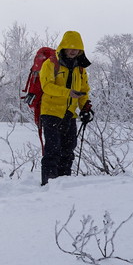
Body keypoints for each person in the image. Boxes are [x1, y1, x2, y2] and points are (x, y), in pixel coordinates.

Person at [38, 30, 92, 186]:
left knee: (68, 150)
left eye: (77, 48)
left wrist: (85, 108)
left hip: (69, 115)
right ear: (63, 47)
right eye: (70, 47)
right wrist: (68, 93)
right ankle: (48, 184)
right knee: (53, 150)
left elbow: (83, 92)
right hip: (51, 113)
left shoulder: (81, 69)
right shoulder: (50, 64)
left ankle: (63, 184)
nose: (73, 50)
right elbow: (47, 87)